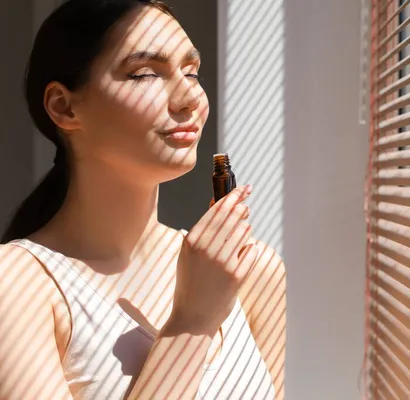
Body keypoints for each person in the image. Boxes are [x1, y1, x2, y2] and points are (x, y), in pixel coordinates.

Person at [0, 0, 286, 399]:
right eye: (146, 73)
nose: (189, 99)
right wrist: (192, 321)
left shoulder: (252, 272)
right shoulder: (18, 285)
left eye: (191, 71)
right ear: (64, 107)